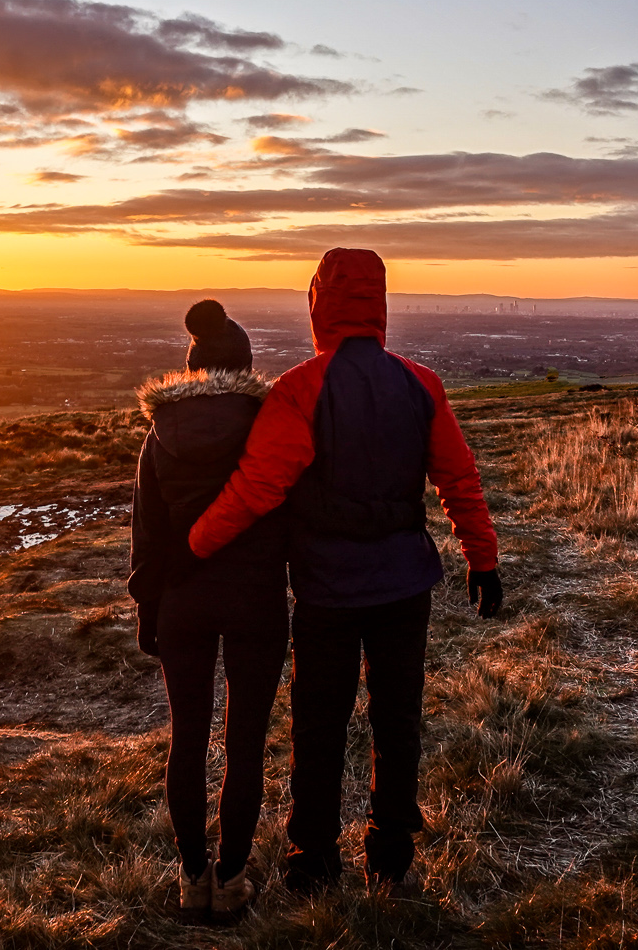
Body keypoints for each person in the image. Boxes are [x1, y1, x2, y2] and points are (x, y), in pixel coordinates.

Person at [187, 248, 502, 892]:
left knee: (319, 720)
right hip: (405, 582)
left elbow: (258, 488)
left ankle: (314, 857)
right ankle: (390, 853)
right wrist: (482, 559)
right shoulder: (421, 383)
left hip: (326, 589)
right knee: (398, 717)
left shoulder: (300, 389)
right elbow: (458, 478)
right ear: (380, 303)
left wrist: (191, 545)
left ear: (318, 303)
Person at [128, 300, 287, 922]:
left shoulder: (159, 433)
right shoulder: (270, 426)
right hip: (256, 600)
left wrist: (149, 614)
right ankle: (233, 875)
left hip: (181, 603)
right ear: (245, 368)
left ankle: (193, 878)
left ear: (192, 369)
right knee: (245, 739)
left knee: (188, 738)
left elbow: (147, 534)